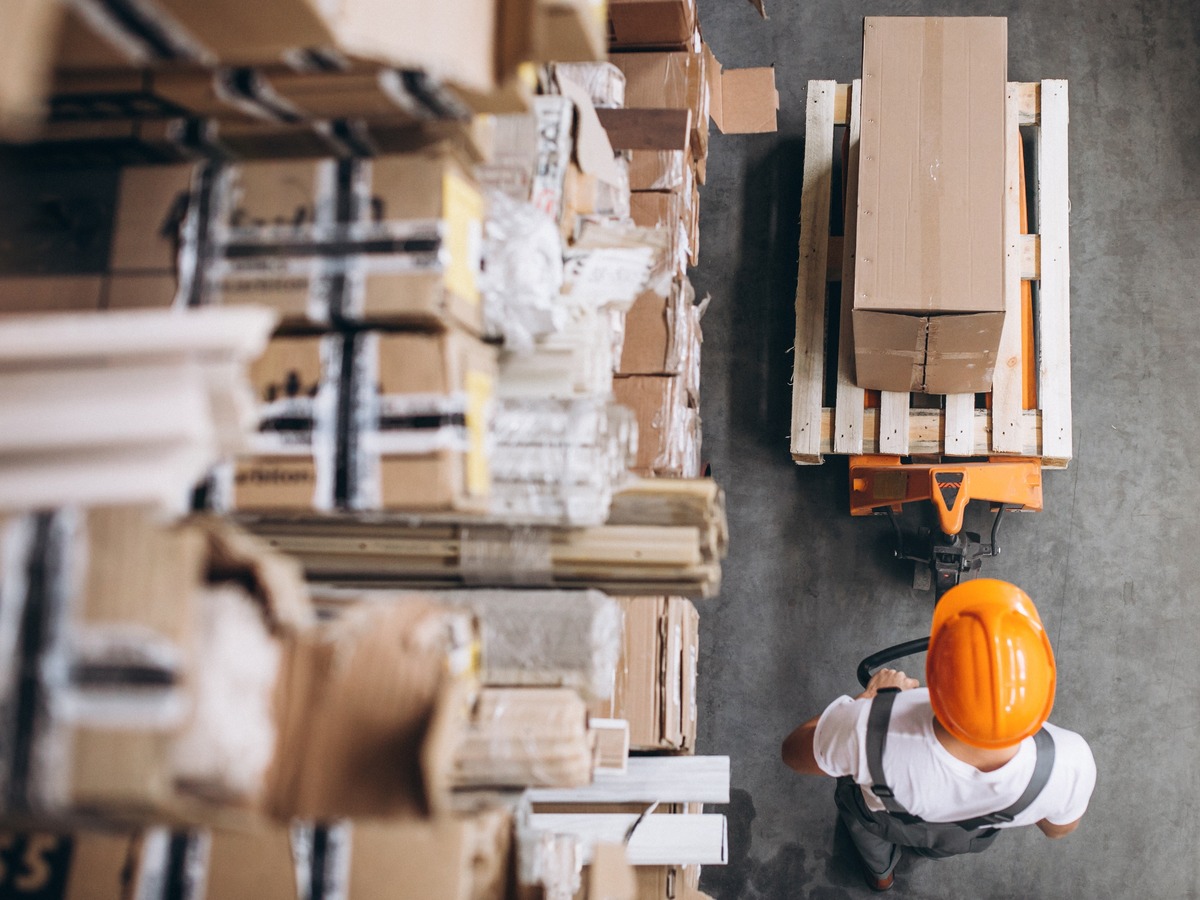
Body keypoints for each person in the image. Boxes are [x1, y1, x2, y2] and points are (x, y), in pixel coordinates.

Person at [781, 579, 1096, 892]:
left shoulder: (867, 728)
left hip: (880, 817)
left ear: (933, 674)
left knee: (869, 838)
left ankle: (881, 876)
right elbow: (1057, 830)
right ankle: (922, 853)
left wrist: (869, 697)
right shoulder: (1069, 763)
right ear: (1045, 686)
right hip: (963, 836)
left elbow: (794, 751)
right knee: (937, 846)